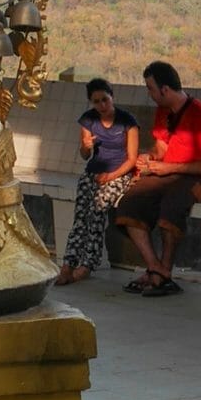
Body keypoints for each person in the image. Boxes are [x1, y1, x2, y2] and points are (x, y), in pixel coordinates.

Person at [112, 60, 201, 297]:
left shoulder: (199, 113)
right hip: (169, 174)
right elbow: (161, 147)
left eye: (150, 88)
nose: (149, 94)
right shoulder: (164, 111)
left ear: (165, 89)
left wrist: (168, 167)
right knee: (130, 202)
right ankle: (156, 269)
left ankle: (164, 272)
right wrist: (149, 157)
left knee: (171, 207)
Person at [54, 78, 138, 284]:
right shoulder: (88, 120)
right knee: (81, 215)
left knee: (97, 211)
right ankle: (68, 263)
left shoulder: (127, 121)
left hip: (118, 173)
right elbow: (85, 155)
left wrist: (110, 176)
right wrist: (85, 146)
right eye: (96, 102)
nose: (101, 106)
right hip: (94, 172)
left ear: (112, 98)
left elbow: (132, 158)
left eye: (105, 100)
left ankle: (88, 263)